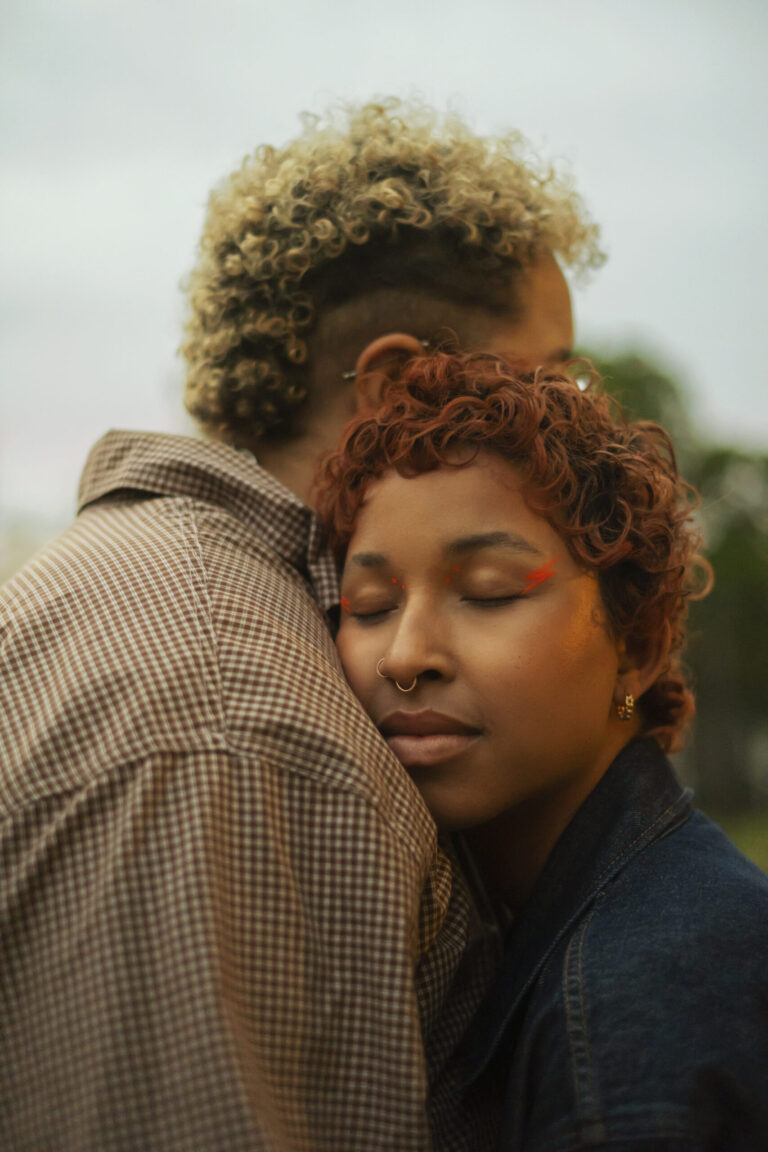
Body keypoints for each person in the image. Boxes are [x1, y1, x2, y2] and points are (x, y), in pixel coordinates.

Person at [0, 101, 602, 1151]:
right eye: (550, 381)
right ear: (394, 387)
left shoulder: (126, 597)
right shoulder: (240, 726)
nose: (576, 428)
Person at [314, 350, 768, 1150]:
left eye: (489, 590)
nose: (406, 655)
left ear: (638, 645)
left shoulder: (640, 1016)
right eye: (371, 603)